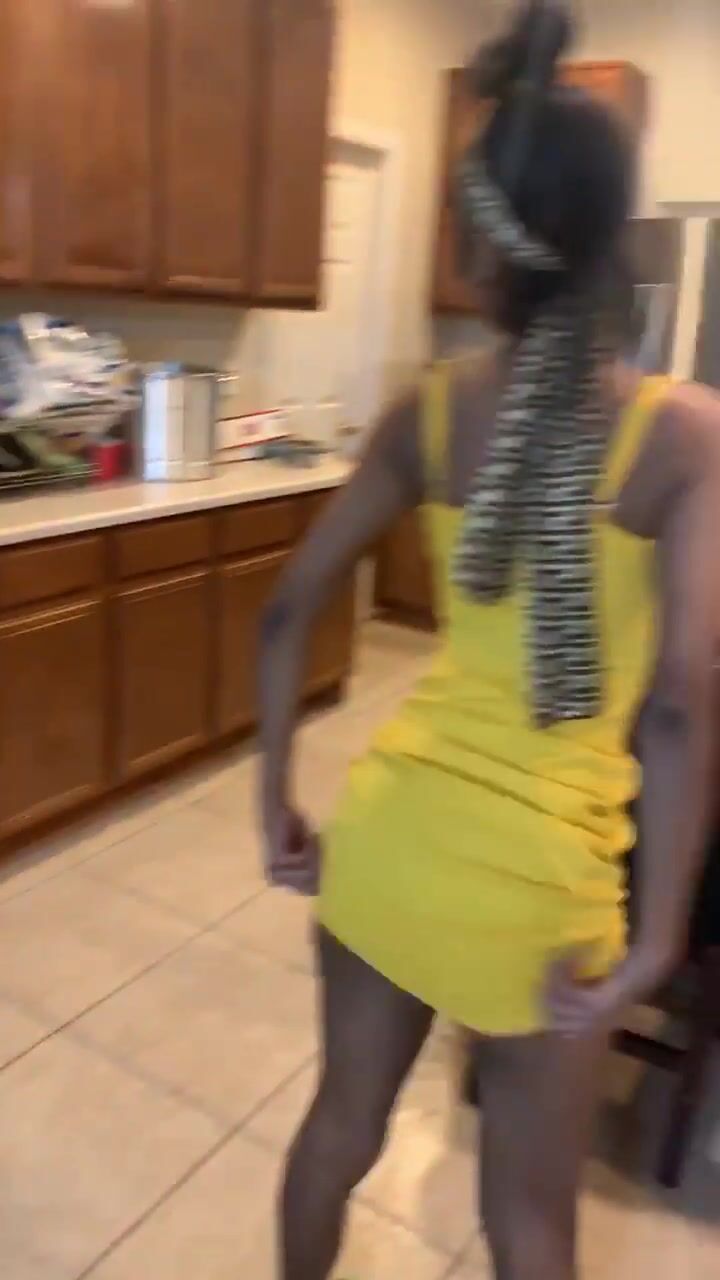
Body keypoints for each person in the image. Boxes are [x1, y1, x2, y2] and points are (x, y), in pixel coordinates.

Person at [257, 3, 720, 1278]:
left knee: (338, 1128)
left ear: (476, 245)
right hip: (544, 893)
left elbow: (289, 604)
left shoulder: (427, 411)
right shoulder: (685, 437)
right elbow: (683, 701)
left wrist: (275, 800)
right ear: (616, 238)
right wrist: (660, 937)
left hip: (390, 838)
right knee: (529, 1223)